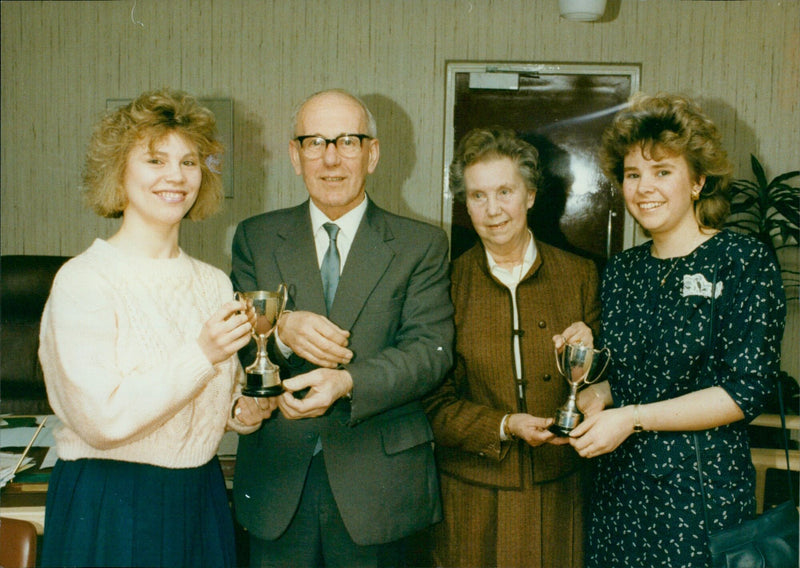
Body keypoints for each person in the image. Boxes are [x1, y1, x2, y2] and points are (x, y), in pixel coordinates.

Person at [38, 88, 272, 567]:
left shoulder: (213, 283)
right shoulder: (84, 279)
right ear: (118, 173)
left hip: (199, 497)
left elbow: (191, 403)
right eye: (155, 160)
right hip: (112, 503)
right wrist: (201, 355)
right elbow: (103, 421)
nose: (176, 176)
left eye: (190, 162)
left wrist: (236, 411)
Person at [230, 89, 454, 567]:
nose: (331, 158)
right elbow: (239, 344)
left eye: (348, 141)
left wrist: (347, 381)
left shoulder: (422, 244)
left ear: (372, 154)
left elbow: (428, 352)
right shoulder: (255, 236)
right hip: (277, 482)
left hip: (379, 485)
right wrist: (282, 327)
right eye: (315, 142)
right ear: (295, 155)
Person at [569, 93, 787, 567]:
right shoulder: (624, 270)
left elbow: (743, 392)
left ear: (698, 181)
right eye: (632, 175)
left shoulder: (742, 262)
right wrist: (597, 395)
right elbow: (628, 377)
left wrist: (630, 418)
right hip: (617, 493)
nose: (644, 188)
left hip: (697, 497)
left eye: (662, 171)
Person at [422, 127, 600, 568]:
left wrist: (593, 360)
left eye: (505, 191)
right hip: (470, 499)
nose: (493, 209)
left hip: (562, 497)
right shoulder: (441, 285)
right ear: (464, 204)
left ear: (531, 195)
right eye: (478, 196)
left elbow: (607, 382)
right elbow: (431, 404)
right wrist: (504, 425)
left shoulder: (581, 276)